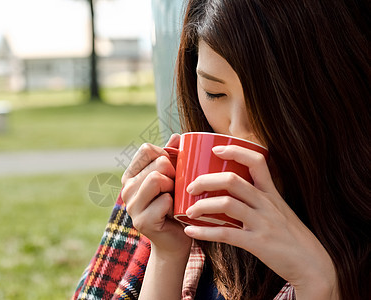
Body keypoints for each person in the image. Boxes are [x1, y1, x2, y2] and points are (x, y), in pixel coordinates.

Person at [73, 0, 369, 299]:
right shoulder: (158, 203)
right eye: (214, 93)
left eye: (269, 100)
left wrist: (317, 283)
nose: (239, 127)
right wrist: (167, 255)